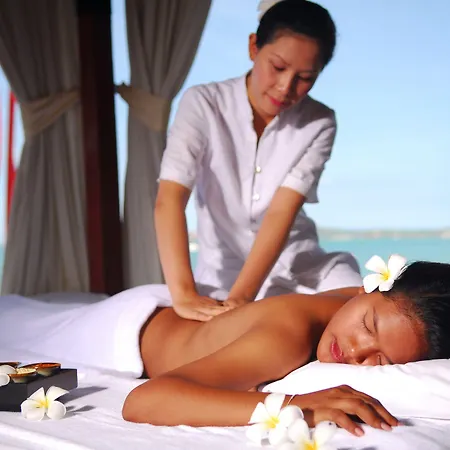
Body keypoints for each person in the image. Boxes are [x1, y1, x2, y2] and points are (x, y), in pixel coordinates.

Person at [155, 0, 362, 322]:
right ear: (254, 47)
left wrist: (242, 299)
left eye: (305, 77)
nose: (286, 87)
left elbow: (281, 211)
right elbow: (169, 198)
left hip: (301, 265)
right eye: (278, 67)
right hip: (223, 275)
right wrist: (183, 295)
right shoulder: (203, 103)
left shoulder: (319, 121)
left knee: (361, 306)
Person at [122, 260, 450, 437]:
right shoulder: (288, 337)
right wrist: (297, 405)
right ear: (368, 288)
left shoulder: (357, 301)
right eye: (367, 326)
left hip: (177, 314)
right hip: (127, 327)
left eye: (380, 360)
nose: (355, 351)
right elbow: (142, 400)